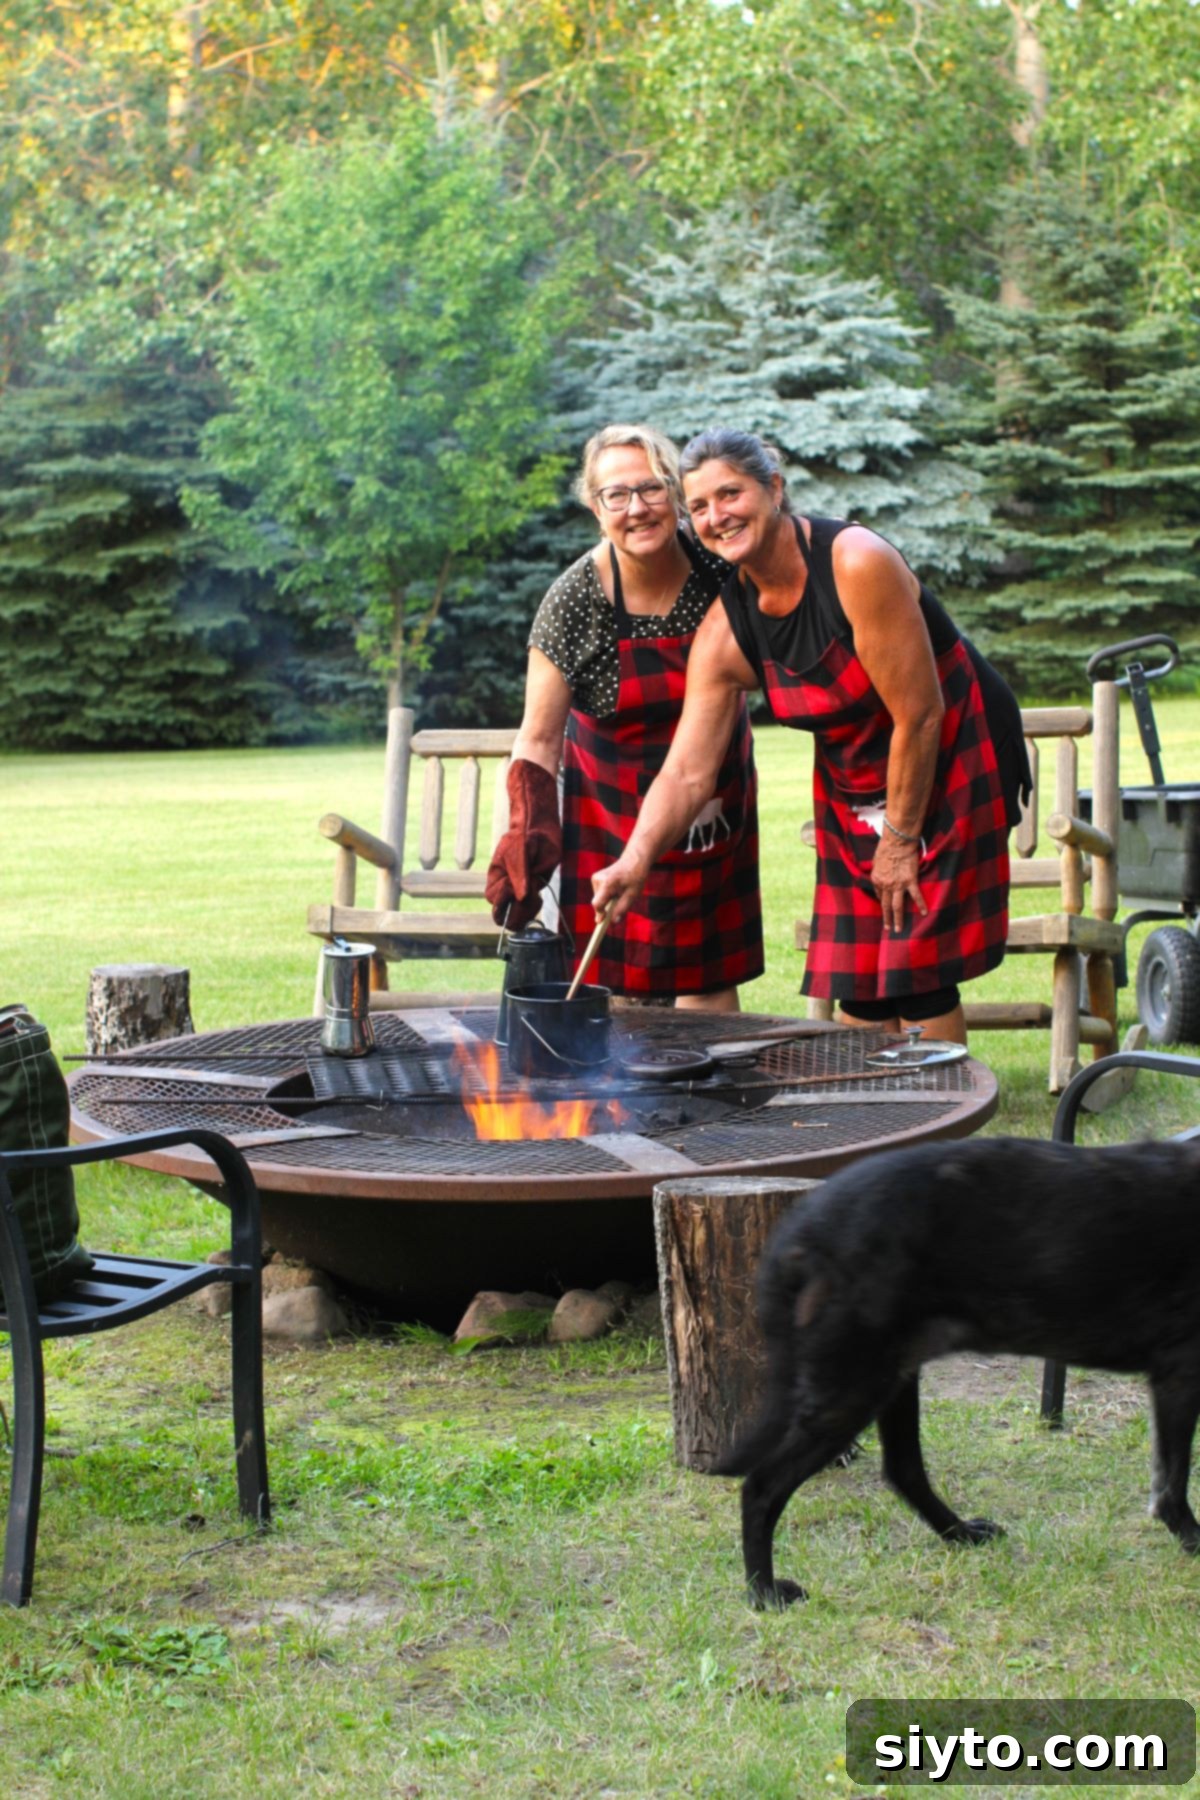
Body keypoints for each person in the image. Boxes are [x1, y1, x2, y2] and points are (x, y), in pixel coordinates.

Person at [591, 429, 1031, 1043]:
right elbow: (687, 769)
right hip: (854, 772)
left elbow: (921, 714)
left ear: (774, 489)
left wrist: (900, 840)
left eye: (731, 494)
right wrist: (634, 858)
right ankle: (871, 1118)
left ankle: (940, 1121)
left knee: (916, 965)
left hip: (951, 747)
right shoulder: (728, 627)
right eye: (699, 507)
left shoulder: (854, 562)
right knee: (857, 973)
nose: (716, 517)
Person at [485, 423, 763, 1013]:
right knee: (618, 987)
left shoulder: (722, 571)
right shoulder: (572, 602)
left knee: (706, 978)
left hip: (710, 808)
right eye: (617, 495)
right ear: (595, 507)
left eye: (652, 489)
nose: (637, 508)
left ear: (675, 492)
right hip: (609, 812)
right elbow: (536, 740)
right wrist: (525, 831)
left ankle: (710, 1101)